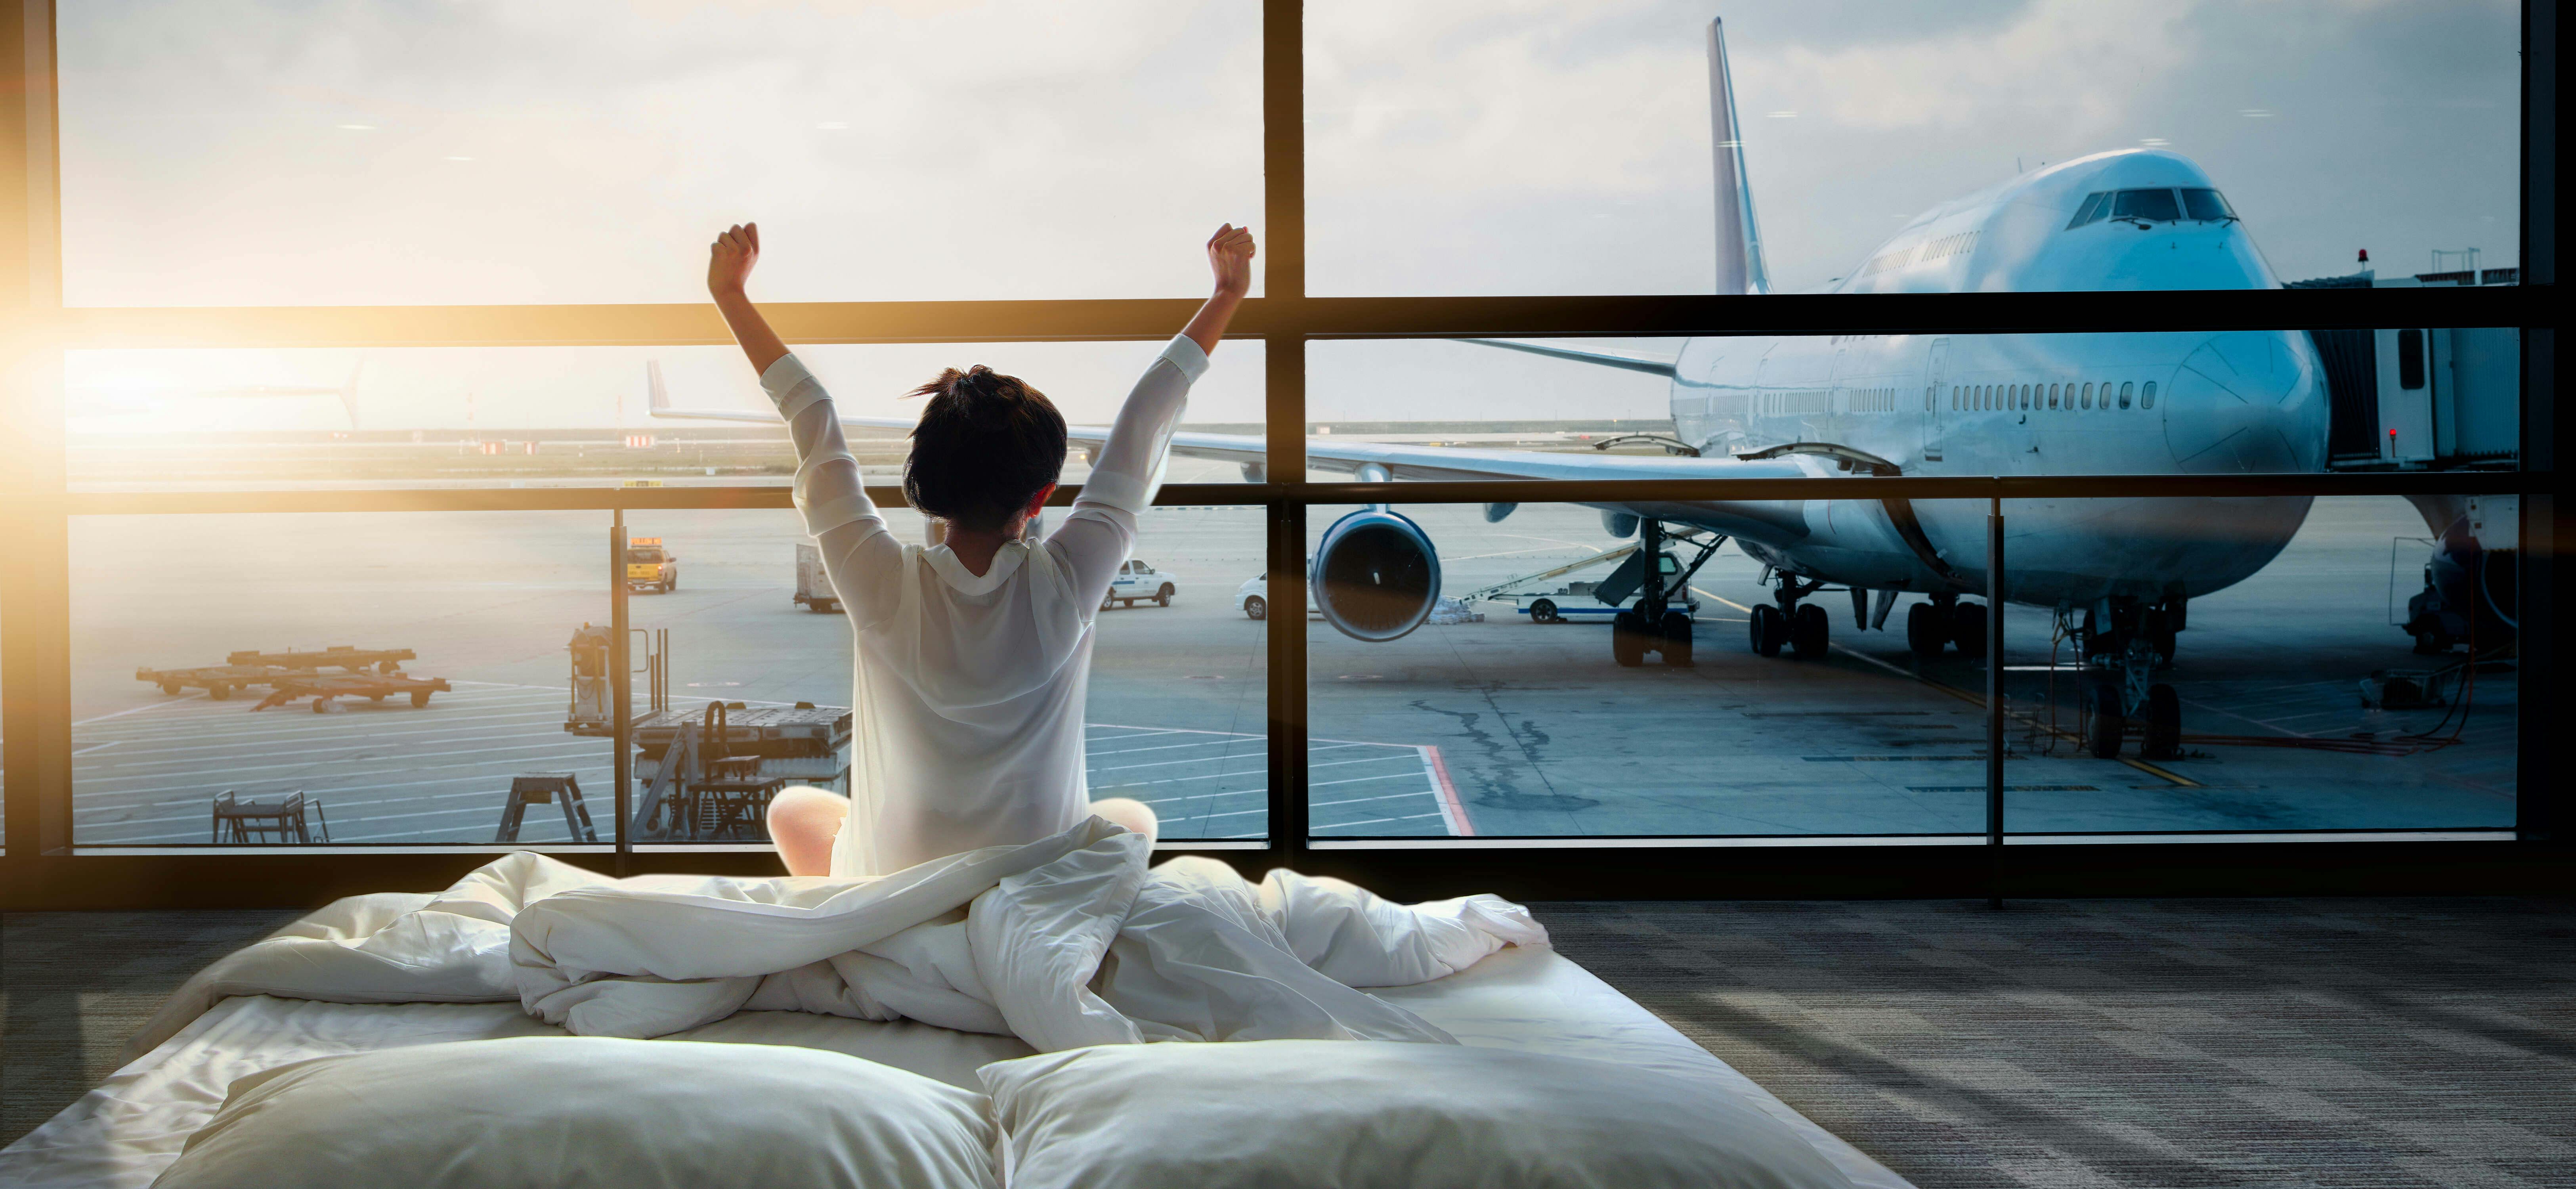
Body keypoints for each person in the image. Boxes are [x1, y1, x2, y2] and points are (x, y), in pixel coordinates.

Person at [705, 220, 1256, 876]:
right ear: (1043, 494)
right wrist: (1226, 294)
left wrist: (730, 295)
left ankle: (886, 915)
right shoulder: (1068, 582)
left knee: (793, 810)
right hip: (1038, 878)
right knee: (1133, 820)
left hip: (897, 879)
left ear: (927, 486)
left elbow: (811, 413)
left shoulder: (879, 583)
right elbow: (1144, 419)